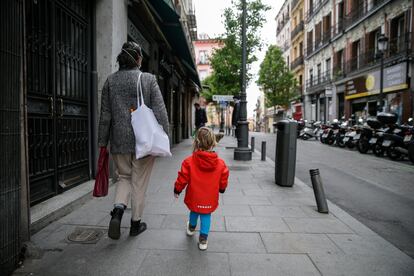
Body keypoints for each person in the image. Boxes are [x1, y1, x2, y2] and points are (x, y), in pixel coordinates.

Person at [98, 41, 169, 240]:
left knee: (124, 178)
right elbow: (160, 110)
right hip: (144, 142)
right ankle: (135, 224)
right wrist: (166, 137)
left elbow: (105, 116)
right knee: (139, 182)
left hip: (119, 141)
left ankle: (118, 212)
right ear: (138, 59)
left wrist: (102, 143)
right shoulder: (148, 79)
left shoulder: (110, 81)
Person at [173, 127, 229, 250]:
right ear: (213, 143)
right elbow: (224, 176)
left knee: (194, 211)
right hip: (210, 198)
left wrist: (177, 189)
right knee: (206, 215)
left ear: (196, 142)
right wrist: (222, 188)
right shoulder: (220, 163)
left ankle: (191, 228)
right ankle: (203, 240)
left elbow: (182, 178)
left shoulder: (189, 162)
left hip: (194, 196)